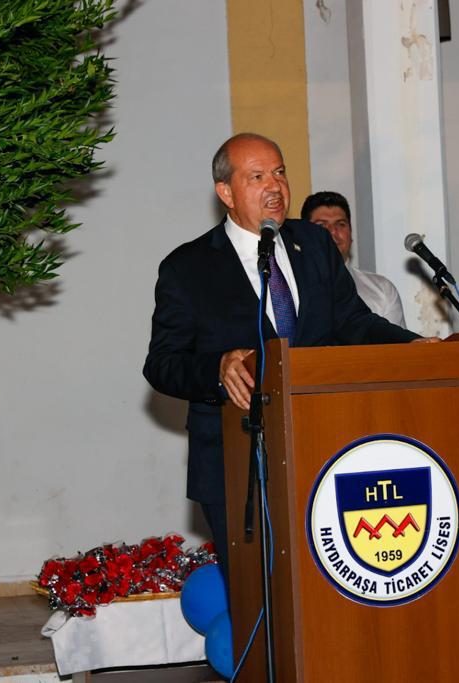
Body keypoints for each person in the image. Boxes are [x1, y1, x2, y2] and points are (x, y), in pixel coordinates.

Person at [143, 133, 420, 572]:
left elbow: (353, 321)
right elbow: (162, 364)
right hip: (235, 461)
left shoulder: (314, 243)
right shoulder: (188, 267)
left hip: (325, 445)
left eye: (280, 172)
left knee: (330, 581)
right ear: (226, 192)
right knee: (257, 590)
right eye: (257, 177)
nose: (275, 186)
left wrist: (412, 346)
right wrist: (217, 368)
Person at [301, 191, 407, 328]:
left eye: (340, 224)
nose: (333, 232)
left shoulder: (382, 290)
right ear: (304, 235)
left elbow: (395, 341)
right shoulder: (291, 289)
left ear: (351, 234)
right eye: (321, 225)